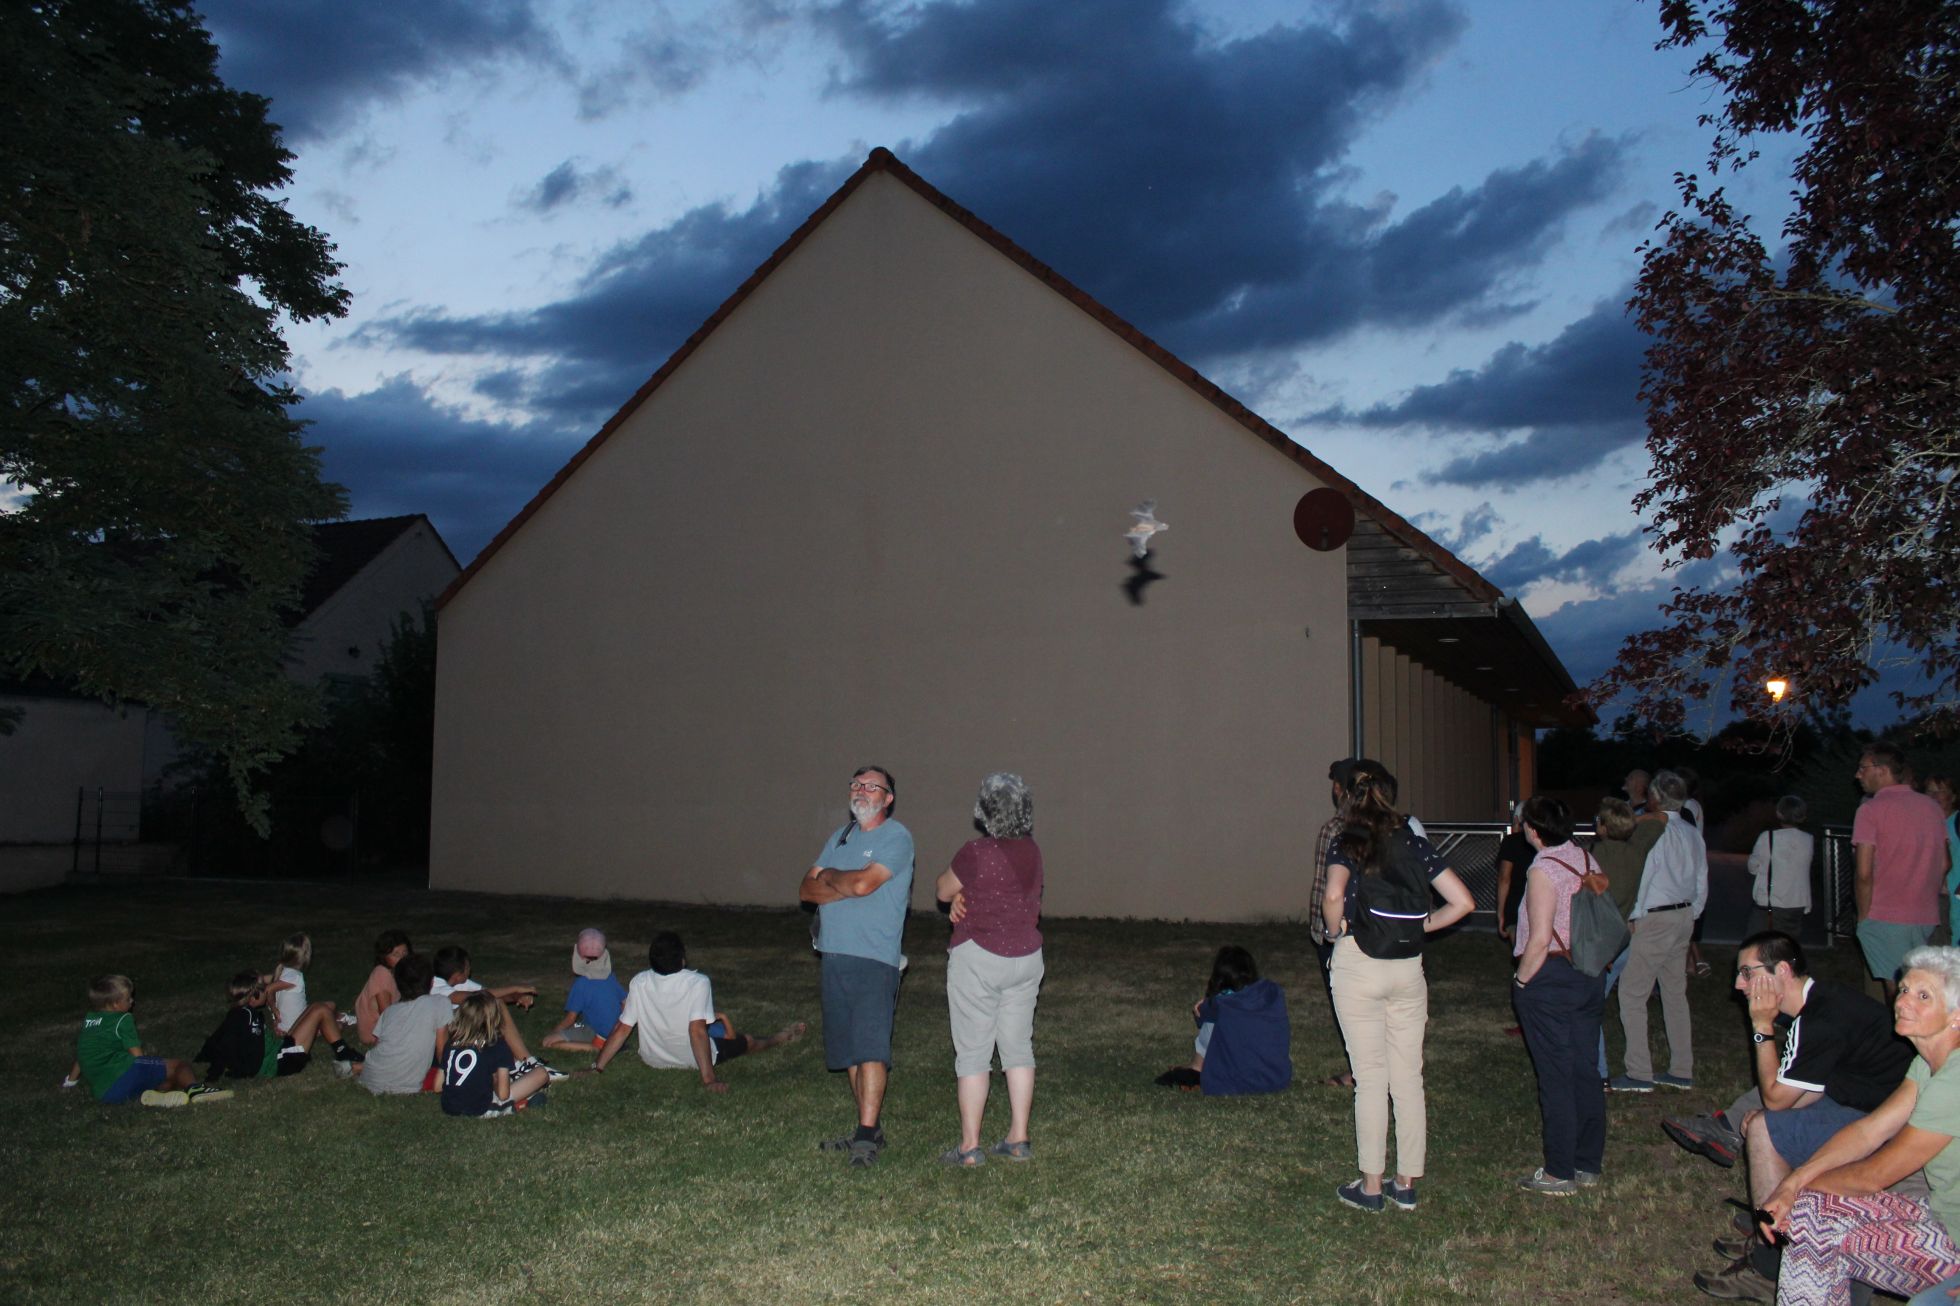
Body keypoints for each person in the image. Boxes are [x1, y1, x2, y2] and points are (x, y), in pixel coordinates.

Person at [1664, 932, 1913, 1300]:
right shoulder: (1822, 1004)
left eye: (1747, 973)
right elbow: (1808, 1089)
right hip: (1868, 1107)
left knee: (1765, 1130)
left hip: (1892, 1126)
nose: (1737, 984)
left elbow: (1778, 1099)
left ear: (1781, 971)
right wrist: (1770, 1110)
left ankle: (1769, 1269)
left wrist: (1762, 1027)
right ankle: (1779, 1234)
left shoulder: (1818, 1019)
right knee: (1768, 1120)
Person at [1761, 947, 1960, 1305]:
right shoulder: (1927, 1063)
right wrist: (1795, 1184)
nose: (1903, 1002)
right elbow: (1871, 1131)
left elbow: (1875, 1174)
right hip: (1941, 1216)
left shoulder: (1955, 1081)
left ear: (1955, 1016)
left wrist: (1793, 1190)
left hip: (1954, 1243)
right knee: (1812, 1213)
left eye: (1924, 996)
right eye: (1904, 990)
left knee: (1809, 1215)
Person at [1322, 766, 1474, 1211]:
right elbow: (1463, 901)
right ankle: (1405, 1183)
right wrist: (1425, 926)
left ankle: (1370, 1187)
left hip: (1359, 962)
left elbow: (1333, 896)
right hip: (1408, 966)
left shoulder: (1347, 840)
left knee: (1370, 1078)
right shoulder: (1412, 840)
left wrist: (1335, 931)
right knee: (1408, 1077)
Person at [800, 764, 914, 1167]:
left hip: (873, 958)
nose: (861, 791)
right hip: (833, 955)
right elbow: (805, 888)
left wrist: (831, 877)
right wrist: (843, 883)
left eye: (871, 787)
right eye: (856, 784)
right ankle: (869, 1129)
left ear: (888, 798)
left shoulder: (896, 838)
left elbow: (866, 885)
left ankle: (865, 1135)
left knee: (870, 1047)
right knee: (848, 1049)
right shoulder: (841, 836)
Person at [934, 772, 1044, 1167]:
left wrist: (957, 896)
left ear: (984, 811)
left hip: (979, 957)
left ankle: (970, 1147)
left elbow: (943, 889)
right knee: (1018, 1048)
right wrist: (965, 895)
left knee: (974, 1054)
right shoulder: (1032, 851)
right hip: (1026, 960)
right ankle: (1018, 1138)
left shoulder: (975, 853)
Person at [1511, 795, 1609, 1196]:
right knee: (1585, 1068)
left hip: (1551, 977)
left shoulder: (1544, 870)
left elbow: (1539, 937)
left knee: (1556, 1075)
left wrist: (1521, 982)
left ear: (1533, 830)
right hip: (1588, 972)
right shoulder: (1587, 860)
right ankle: (1587, 1162)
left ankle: (1558, 1172)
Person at [593, 931, 806, 1089]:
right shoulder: (697, 982)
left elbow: (622, 1028)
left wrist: (597, 1068)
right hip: (689, 1058)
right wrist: (709, 1079)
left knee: (729, 1039)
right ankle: (780, 1037)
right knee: (747, 1041)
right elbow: (696, 1030)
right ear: (682, 959)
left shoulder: (639, 981)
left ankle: (779, 1036)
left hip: (654, 1059)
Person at [1612, 769, 1707, 1092]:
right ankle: (1681, 1069)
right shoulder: (1692, 831)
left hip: (1655, 918)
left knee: (1632, 993)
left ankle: (1639, 1073)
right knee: (1674, 992)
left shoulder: (1655, 830)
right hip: (1683, 916)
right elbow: (1702, 877)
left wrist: (1635, 916)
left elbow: (1646, 874)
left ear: (1654, 797)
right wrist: (1694, 912)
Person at [1853, 743, 1951, 1002]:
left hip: (1885, 915)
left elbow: (1863, 872)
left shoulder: (1870, 810)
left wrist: (1864, 917)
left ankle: (1902, 1043)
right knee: (1920, 988)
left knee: (1898, 994)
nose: (1858, 775)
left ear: (1882, 770)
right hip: (1924, 915)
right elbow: (1944, 864)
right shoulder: (1931, 808)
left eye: (1863, 768)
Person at [66, 974, 230, 1108]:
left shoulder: (90, 1020)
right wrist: (147, 1063)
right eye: (128, 999)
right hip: (122, 1074)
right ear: (116, 1004)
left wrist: (70, 1082)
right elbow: (137, 1056)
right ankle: (196, 1090)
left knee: (164, 1076)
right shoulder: (123, 1019)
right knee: (179, 1066)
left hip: (105, 1094)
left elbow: (82, 1054)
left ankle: (155, 1097)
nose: (132, 1002)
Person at [1153, 945, 1291, 1096]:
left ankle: (1196, 1067)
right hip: (1276, 1079)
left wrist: (1206, 1006)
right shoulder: (1271, 995)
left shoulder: (1221, 1005)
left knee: (1212, 1022)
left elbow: (1201, 1014)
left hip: (1238, 1082)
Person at [1590, 797, 1663, 1079]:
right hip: (1623, 940)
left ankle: (1600, 1072)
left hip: (1600, 942)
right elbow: (1662, 819)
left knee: (1590, 1007)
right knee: (1595, 1002)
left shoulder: (1595, 854)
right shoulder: (1638, 849)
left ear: (1604, 828)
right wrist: (1633, 820)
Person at [428, 946, 562, 1080]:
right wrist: (514, 988)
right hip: (442, 1038)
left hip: (462, 1030)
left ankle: (518, 1064)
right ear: (458, 975)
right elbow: (473, 996)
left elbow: (490, 995)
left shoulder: (459, 983)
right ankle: (527, 1063)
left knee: (494, 1003)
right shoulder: (434, 987)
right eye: (468, 967)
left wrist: (517, 997)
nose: (471, 970)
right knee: (493, 1004)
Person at [201, 970, 358, 1082]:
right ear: (253, 998)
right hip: (282, 1062)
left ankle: (341, 1046)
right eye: (264, 990)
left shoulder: (240, 1014)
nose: (268, 991)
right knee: (320, 1009)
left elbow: (222, 1042)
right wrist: (222, 1074)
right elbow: (229, 1045)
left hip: (281, 1051)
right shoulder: (245, 1016)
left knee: (317, 1007)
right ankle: (345, 1054)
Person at [1309, 758, 1362, 1085]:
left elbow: (1327, 890)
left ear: (1341, 789)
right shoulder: (1388, 828)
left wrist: (1324, 931)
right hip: (1376, 931)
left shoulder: (1335, 830)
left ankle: (1359, 1070)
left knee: (1348, 1004)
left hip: (1341, 931)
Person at [442, 992, 551, 1117]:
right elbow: (503, 1094)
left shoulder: (451, 1044)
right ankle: (520, 1105)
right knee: (541, 1073)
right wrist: (494, 1079)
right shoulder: (497, 1045)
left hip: (448, 1105)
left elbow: (437, 1086)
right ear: (494, 1018)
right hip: (480, 1108)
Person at [266, 933, 362, 1070]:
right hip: (296, 1029)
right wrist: (274, 1010)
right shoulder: (294, 977)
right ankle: (342, 1035)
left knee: (329, 1006)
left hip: (287, 1027)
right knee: (334, 1021)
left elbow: (268, 986)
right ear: (305, 956)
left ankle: (341, 1018)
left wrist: (275, 1015)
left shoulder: (283, 971)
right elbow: (269, 990)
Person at [361, 953, 452, 1096]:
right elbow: (442, 1052)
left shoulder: (389, 1011)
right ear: (432, 982)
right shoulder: (440, 1003)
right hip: (405, 1085)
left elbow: (381, 1045)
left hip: (370, 1077)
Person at [543, 928, 629, 1053]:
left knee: (548, 1042)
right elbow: (625, 1003)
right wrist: (618, 1026)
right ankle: (610, 1042)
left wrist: (555, 1032)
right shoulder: (611, 977)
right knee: (579, 1027)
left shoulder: (581, 984)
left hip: (594, 1032)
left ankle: (595, 1047)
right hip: (616, 1033)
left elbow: (570, 1019)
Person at [1746, 796, 1814, 941]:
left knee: (1755, 945)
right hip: (1797, 902)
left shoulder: (1768, 837)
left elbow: (1753, 867)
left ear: (1779, 814)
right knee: (1788, 946)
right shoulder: (1808, 839)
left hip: (1771, 902)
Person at [353, 930, 411, 1047]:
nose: (402, 958)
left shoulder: (397, 973)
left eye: (404, 953)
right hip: (376, 1033)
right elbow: (386, 1013)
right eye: (396, 954)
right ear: (384, 956)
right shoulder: (382, 974)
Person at [1931, 775, 1960, 946]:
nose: (1934, 797)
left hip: (1955, 897)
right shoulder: (1927, 824)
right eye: (1929, 791)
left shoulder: (1956, 821)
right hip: (1934, 899)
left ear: (1953, 796)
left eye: (1940, 791)